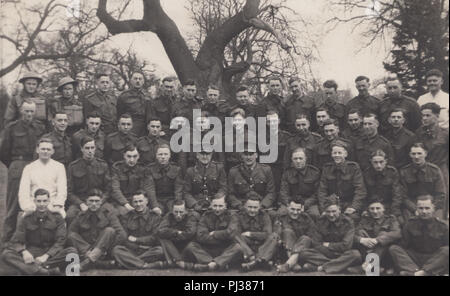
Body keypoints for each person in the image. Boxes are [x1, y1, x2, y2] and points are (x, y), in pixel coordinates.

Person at [1, 189, 77, 275]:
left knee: (72, 252)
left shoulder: (57, 218)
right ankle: (43, 271)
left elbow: (60, 241)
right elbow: (16, 240)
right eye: (39, 201)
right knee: (6, 253)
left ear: (49, 201)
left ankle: (35, 269)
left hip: (51, 254)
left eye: (44, 201)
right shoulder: (26, 218)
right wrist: (24, 252)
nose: (42, 204)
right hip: (32, 254)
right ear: (34, 201)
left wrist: (46, 256)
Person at [0, 101, 46, 243]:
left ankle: (33, 239)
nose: (29, 114)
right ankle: (7, 239)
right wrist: (15, 165)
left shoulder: (40, 127)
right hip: (18, 164)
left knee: (36, 199)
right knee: (14, 203)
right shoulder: (12, 128)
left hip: (35, 164)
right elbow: (3, 152)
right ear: (21, 111)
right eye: (26, 111)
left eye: (32, 111)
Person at [298, 195, 362, 274]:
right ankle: (339, 265)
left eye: (334, 211)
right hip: (325, 254)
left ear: (339, 210)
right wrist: (329, 252)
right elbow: (316, 243)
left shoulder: (348, 222)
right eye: (328, 212)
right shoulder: (320, 221)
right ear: (324, 211)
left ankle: (320, 268)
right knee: (303, 254)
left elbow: (346, 246)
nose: (331, 215)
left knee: (356, 255)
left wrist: (328, 245)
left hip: (342, 254)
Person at [68, 189, 127, 271]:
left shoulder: (108, 214)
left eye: (97, 201)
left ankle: (87, 262)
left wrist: (106, 248)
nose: (94, 204)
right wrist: (87, 250)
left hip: (104, 250)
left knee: (109, 230)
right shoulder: (81, 215)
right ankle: (95, 261)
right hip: (86, 249)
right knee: (72, 235)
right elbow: (70, 232)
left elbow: (122, 235)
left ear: (101, 202)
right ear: (86, 202)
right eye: (91, 201)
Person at [389, 195, 449, 276]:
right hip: (415, 258)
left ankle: (416, 273)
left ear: (433, 208)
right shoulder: (410, 224)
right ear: (417, 209)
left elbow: (446, 248)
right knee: (394, 248)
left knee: (447, 250)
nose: (424, 211)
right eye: (420, 208)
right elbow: (404, 245)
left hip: (434, 259)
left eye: (427, 208)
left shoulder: (443, 226)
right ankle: (421, 272)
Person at [182, 194, 242, 271]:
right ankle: (218, 264)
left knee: (237, 247)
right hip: (208, 249)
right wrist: (223, 236)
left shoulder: (232, 216)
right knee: (191, 246)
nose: (217, 209)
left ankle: (208, 265)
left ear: (225, 206)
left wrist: (214, 233)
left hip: (224, 249)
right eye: (215, 206)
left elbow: (231, 234)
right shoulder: (205, 216)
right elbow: (200, 236)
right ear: (211, 205)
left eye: (220, 206)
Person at [112, 191, 166, 270]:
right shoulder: (126, 217)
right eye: (135, 202)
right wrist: (136, 246)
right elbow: (124, 237)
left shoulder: (155, 217)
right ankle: (145, 265)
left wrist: (137, 240)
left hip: (149, 249)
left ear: (146, 201)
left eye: (141, 201)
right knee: (116, 250)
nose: (138, 204)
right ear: (132, 203)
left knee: (160, 250)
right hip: (132, 249)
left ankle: (128, 262)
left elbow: (154, 237)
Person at [317, 141, 367, 222]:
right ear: (331, 154)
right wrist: (324, 208)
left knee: (351, 218)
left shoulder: (353, 167)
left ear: (345, 154)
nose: (337, 155)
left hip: (349, 203)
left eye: (339, 153)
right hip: (331, 203)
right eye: (334, 153)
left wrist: (354, 207)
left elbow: (360, 190)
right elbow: (322, 190)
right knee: (324, 218)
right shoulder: (327, 168)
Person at [18, 138, 67, 218]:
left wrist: (58, 205)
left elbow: (62, 190)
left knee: (59, 217)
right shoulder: (29, 168)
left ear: (52, 151)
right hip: (33, 205)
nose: (45, 151)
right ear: (37, 150)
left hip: (53, 205)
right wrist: (27, 206)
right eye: (43, 149)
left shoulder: (59, 167)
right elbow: (23, 191)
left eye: (48, 149)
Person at [67, 136, 112, 222]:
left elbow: (108, 189)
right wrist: (80, 203)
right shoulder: (73, 166)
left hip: (99, 200)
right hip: (81, 201)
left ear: (95, 149)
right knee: (70, 215)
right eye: (87, 148)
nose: (90, 151)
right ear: (81, 149)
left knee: (111, 214)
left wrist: (100, 202)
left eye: (92, 148)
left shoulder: (103, 165)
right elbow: (69, 192)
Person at [349, 201, 401, 274]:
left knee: (383, 236)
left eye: (378, 208)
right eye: (372, 209)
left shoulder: (391, 219)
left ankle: (369, 266)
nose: (375, 211)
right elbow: (353, 234)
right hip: (368, 251)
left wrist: (377, 240)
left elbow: (397, 233)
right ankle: (375, 268)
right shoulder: (365, 219)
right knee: (360, 232)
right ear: (368, 210)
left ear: (383, 209)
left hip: (385, 254)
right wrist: (363, 240)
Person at [399, 143, 446, 221]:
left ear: (425, 154)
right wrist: (415, 209)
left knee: (437, 225)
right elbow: (403, 196)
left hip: (432, 204)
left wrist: (432, 208)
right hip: (412, 205)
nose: (416, 157)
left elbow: (441, 194)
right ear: (410, 155)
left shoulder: (434, 170)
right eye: (413, 154)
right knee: (409, 225)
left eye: (419, 153)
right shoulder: (404, 171)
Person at [111, 145, 159, 216]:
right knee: (124, 213)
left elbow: (149, 188)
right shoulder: (117, 169)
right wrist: (125, 204)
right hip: (121, 201)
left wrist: (155, 206)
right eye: (129, 156)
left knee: (151, 213)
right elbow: (115, 189)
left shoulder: (143, 169)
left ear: (139, 156)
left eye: (135, 156)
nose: (132, 160)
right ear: (124, 156)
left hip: (138, 199)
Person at [415, 103, 449, 201]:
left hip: (441, 170)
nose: (424, 118)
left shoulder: (445, 134)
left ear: (437, 116)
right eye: (422, 115)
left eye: (428, 115)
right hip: (423, 172)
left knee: (442, 200)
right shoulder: (418, 133)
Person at [274, 199, 317, 273]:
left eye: (298, 210)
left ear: (302, 208)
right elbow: (277, 234)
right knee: (287, 232)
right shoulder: (281, 217)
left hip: (302, 250)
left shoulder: (307, 218)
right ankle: (293, 263)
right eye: (292, 209)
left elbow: (312, 236)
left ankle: (289, 264)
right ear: (288, 207)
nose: (295, 212)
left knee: (306, 238)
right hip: (284, 250)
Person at [227, 146, 276, 210]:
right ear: (241, 156)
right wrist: (239, 206)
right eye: (245, 154)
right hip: (241, 207)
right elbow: (230, 194)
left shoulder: (266, 170)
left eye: (251, 154)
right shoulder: (233, 172)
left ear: (256, 155)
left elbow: (271, 193)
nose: (248, 157)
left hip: (261, 206)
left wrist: (262, 205)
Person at [234, 197, 274, 271]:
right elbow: (238, 234)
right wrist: (259, 236)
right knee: (234, 235)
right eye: (250, 207)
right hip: (247, 247)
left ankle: (254, 262)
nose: (252, 210)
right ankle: (255, 259)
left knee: (274, 236)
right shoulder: (239, 216)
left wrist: (250, 234)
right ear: (245, 206)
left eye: (255, 207)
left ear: (259, 207)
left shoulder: (264, 215)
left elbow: (267, 234)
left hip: (262, 245)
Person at [279, 148, 321, 219]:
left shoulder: (314, 173)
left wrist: (305, 204)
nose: (298, 161)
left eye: (300, 158)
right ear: (292, 159)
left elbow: (317, 193)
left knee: (315, 215)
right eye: (295, 159)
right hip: (291, 201)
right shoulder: (287, 173)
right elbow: (283, 192)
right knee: (281, 213)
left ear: (305, 159)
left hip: (308, 203)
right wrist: (290, 203)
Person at [157, 200, 198, 269]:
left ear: (185, 211)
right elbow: (160, 230)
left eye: (181, 212)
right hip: (173, 246)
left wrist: (171, 235)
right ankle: (177, 261)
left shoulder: (191, 216)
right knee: (162, 238)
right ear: (172, 211)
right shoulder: (169, 215)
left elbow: (190, 233)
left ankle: (174, 260)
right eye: (176, 212)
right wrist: (176, 232)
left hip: (186, 245)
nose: (178, 215)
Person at [362, 150, 403, 219]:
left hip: (389, 206)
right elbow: (363, 193)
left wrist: (394, 210)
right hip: (372, 207)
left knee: (400, 221)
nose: (378, 165)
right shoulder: (366, 173)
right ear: (371, 162)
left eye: (381, 162)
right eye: (375, 162)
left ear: (386, 161)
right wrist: (365, 209)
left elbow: (397, 194)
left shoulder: (392, 172)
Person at [184, 150, 227, 214]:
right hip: (197, 203)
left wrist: (216, 200)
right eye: (202, 154)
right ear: (197, 155)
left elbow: (223, 188)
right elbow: (186, 192)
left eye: (207, 154)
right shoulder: (190, 171)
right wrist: (194, 204)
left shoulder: (219, 169)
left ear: (211, 155)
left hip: (214, 204)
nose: (205, 157)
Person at [147, 144, 184, 215]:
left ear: (169, 155)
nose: (163, 157)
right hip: (157, 199)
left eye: (165, 154)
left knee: (174, 213)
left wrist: (177, 204)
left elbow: (178, 190)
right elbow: (150, 189)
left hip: (171, 199)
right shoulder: (150, 169)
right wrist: (155, 206)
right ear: (156, 156)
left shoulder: (176, 169)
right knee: (156, 214)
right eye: (160, 154)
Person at [260, 111, 291, 191]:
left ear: (279, 121)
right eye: (269, 121)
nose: (272, 124)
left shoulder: (287, 137)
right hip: (266, 171)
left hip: (282, 170)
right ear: (266, 123)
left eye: (274, 121)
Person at [117, 72, 151, 137]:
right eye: (135, 79)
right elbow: (119, 114)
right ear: (131, 81)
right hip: (130, 128)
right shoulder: (124, 96)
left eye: (140, 79)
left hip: (145, 129)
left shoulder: (147, 96)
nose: (138, 81)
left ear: (143, 81)